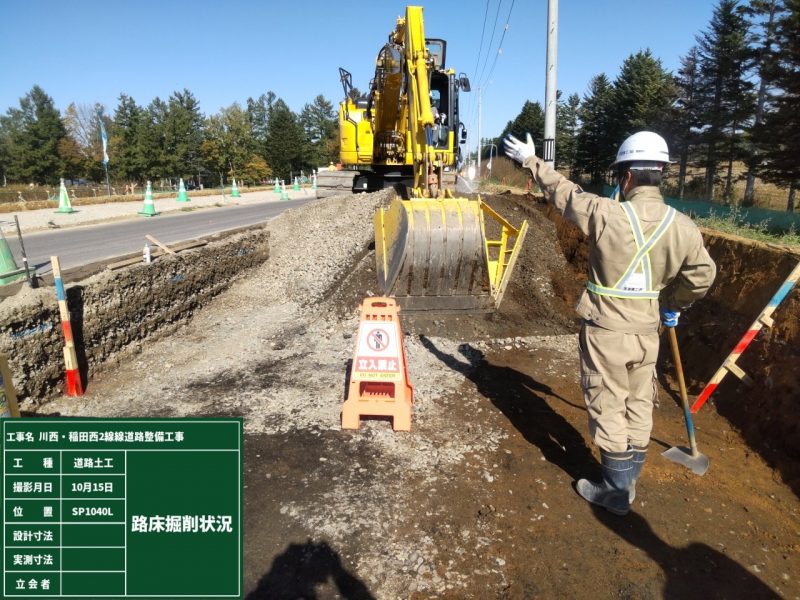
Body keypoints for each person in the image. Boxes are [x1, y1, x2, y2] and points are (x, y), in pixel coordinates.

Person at [504, 131, 716, 516]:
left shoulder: (606, 213)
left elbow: (564, 194)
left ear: (628, 176)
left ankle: (616, 491)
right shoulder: (683, 226)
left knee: (607, 402)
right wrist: (672, 303)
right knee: (638, 401)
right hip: (647, 332)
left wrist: (532, 162)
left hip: (606, 332)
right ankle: (630, 478)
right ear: (661, 174)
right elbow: (702, 275)